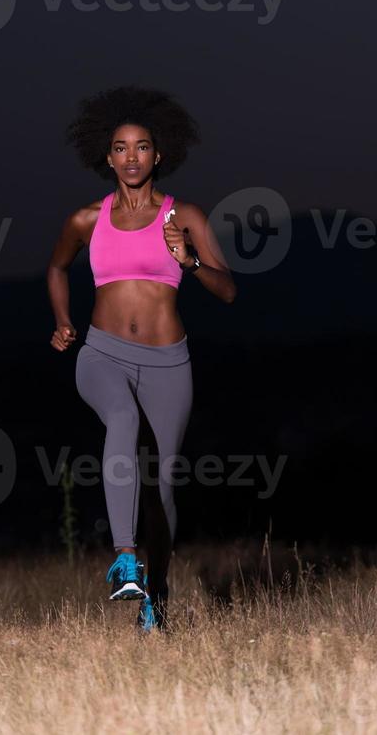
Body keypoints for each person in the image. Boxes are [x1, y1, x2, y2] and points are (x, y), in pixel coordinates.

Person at [47, 84, 236, 632]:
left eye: (143, 147)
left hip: (168, 363)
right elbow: (57, 267)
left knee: (163, 489)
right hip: (101, 353)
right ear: (106, 157)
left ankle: (158, 595)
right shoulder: (87, 219)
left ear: (159, 154)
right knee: (122, 420)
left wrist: (191, 260)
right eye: (121, 148)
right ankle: (124, 558)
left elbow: (229, 292)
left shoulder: (186, 216)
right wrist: (63, 319)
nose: (132, 157)